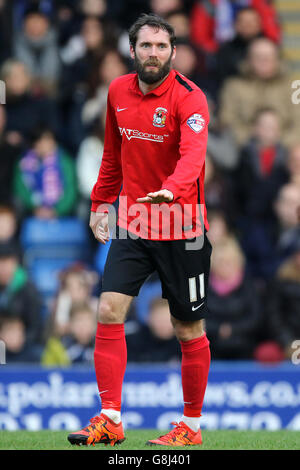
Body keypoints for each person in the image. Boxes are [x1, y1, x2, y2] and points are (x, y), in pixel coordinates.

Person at [68, 13, 211, 447]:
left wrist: (171, 191)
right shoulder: (116, 91)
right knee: (108, 311)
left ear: (173, 52)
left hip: (182, 225)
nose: (154, 53)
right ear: (132, 51)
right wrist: (99, 203)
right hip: (132, 222)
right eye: (146, 46)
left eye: (162, 46)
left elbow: (193, 157)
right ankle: (110, 418)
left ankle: (191, 426)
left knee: (188, 329)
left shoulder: (191, 98)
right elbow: (112, 155)